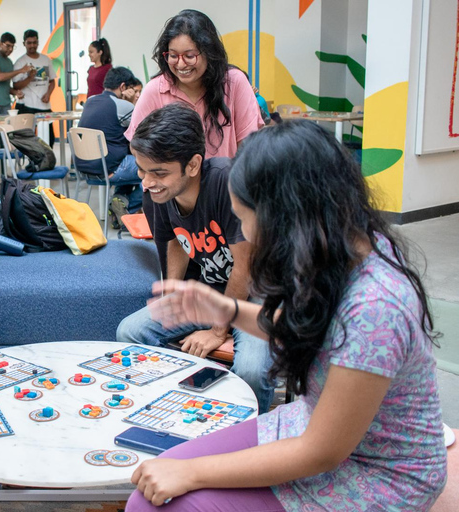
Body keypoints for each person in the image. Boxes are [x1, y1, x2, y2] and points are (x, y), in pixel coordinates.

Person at [126, 119, 448, 511]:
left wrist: (194, 473)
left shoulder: (376, 308)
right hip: (314, 426)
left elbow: (320, 453)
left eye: (245, 218)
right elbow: (303, 327)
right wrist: (224, 308)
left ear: (287, 216)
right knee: (157, 474)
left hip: (376, 473)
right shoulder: (338, 248)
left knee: (160, 499)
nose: (245, 232)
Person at [116, 104, 274, 414]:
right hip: (208, 293)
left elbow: (246, 267)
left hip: (256, 299)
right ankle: (171, 407)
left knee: (252, 371)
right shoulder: (157, 193)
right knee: (130, 331)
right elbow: (175, 241)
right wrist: (173, 294)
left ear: (193, 164)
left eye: (159, 172)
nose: (146, 182)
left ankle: (249, 440)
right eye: (141, 169)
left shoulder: (227, 183)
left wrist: (217, 332)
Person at [124, 10, 263, 158]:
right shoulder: (155, 90)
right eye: (173, 55)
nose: (181, 64)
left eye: (190, 56)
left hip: (224, 179)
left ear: (209, 53)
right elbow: (137, 145)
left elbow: (249, 145)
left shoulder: (234, 82)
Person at [76, 66, 143, 224]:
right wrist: (131, 101)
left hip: (84, 168)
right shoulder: (122, 106)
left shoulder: (90, 101)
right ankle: (128, 207)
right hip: (108, 169)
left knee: (129, 162)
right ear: (123, 87)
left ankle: (119, 201)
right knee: (153, 168)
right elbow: (143, 128)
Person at [13, 29, 56, 145]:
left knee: (49, 140)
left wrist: (48, 94)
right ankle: (31, 163)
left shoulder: (46, 59)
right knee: (28, 142)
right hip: (27, 106)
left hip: (44, 106)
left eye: (34, 42)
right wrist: (29, 78)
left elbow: (52, 81)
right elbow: (16, 85)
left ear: (38, 42)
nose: (32, 45)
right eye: (29, 43)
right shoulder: (20, 62)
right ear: (24, 44)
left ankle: (47, 162)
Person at [0, 32, 32, 115]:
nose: (10, 49)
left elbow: (5, 86)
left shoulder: (9, 62)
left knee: (7, 127)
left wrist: (15, 92)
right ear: (0, 44)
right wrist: (21, 70)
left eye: (12, 46)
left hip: (6, 104)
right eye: (8, 46)